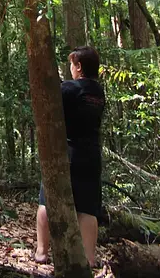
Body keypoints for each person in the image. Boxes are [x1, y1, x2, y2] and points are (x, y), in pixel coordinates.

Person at [35, 45, 105, 267]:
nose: (71, 69)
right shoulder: (98, 91)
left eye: (72, 65)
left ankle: (41, 252)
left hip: (69, 154)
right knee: (87, 208)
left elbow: (48, 98)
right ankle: (89, 259)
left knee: (46, 201)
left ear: (79, 66)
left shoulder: (70, 89)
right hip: (92, 156)